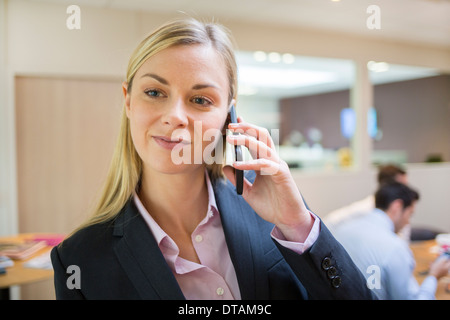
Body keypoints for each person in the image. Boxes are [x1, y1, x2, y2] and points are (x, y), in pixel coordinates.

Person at [50, 18, 375, 300]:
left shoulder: (275, 213)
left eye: (201, 99)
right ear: (128, 101)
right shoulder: (79, 259)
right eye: (154, 92)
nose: (175, 116)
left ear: (229, 115)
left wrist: (297, 224)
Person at [332, 182, 450, 300]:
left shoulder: (341, 230)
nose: (408, 222)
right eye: (409, 214)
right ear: (397, 207)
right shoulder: (394, 247)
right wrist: (433, 276)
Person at [325, 164, 410, 239]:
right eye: (401, 186)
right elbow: (330, 222)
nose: (406, 190)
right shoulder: (367, 208)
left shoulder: (402, 208)